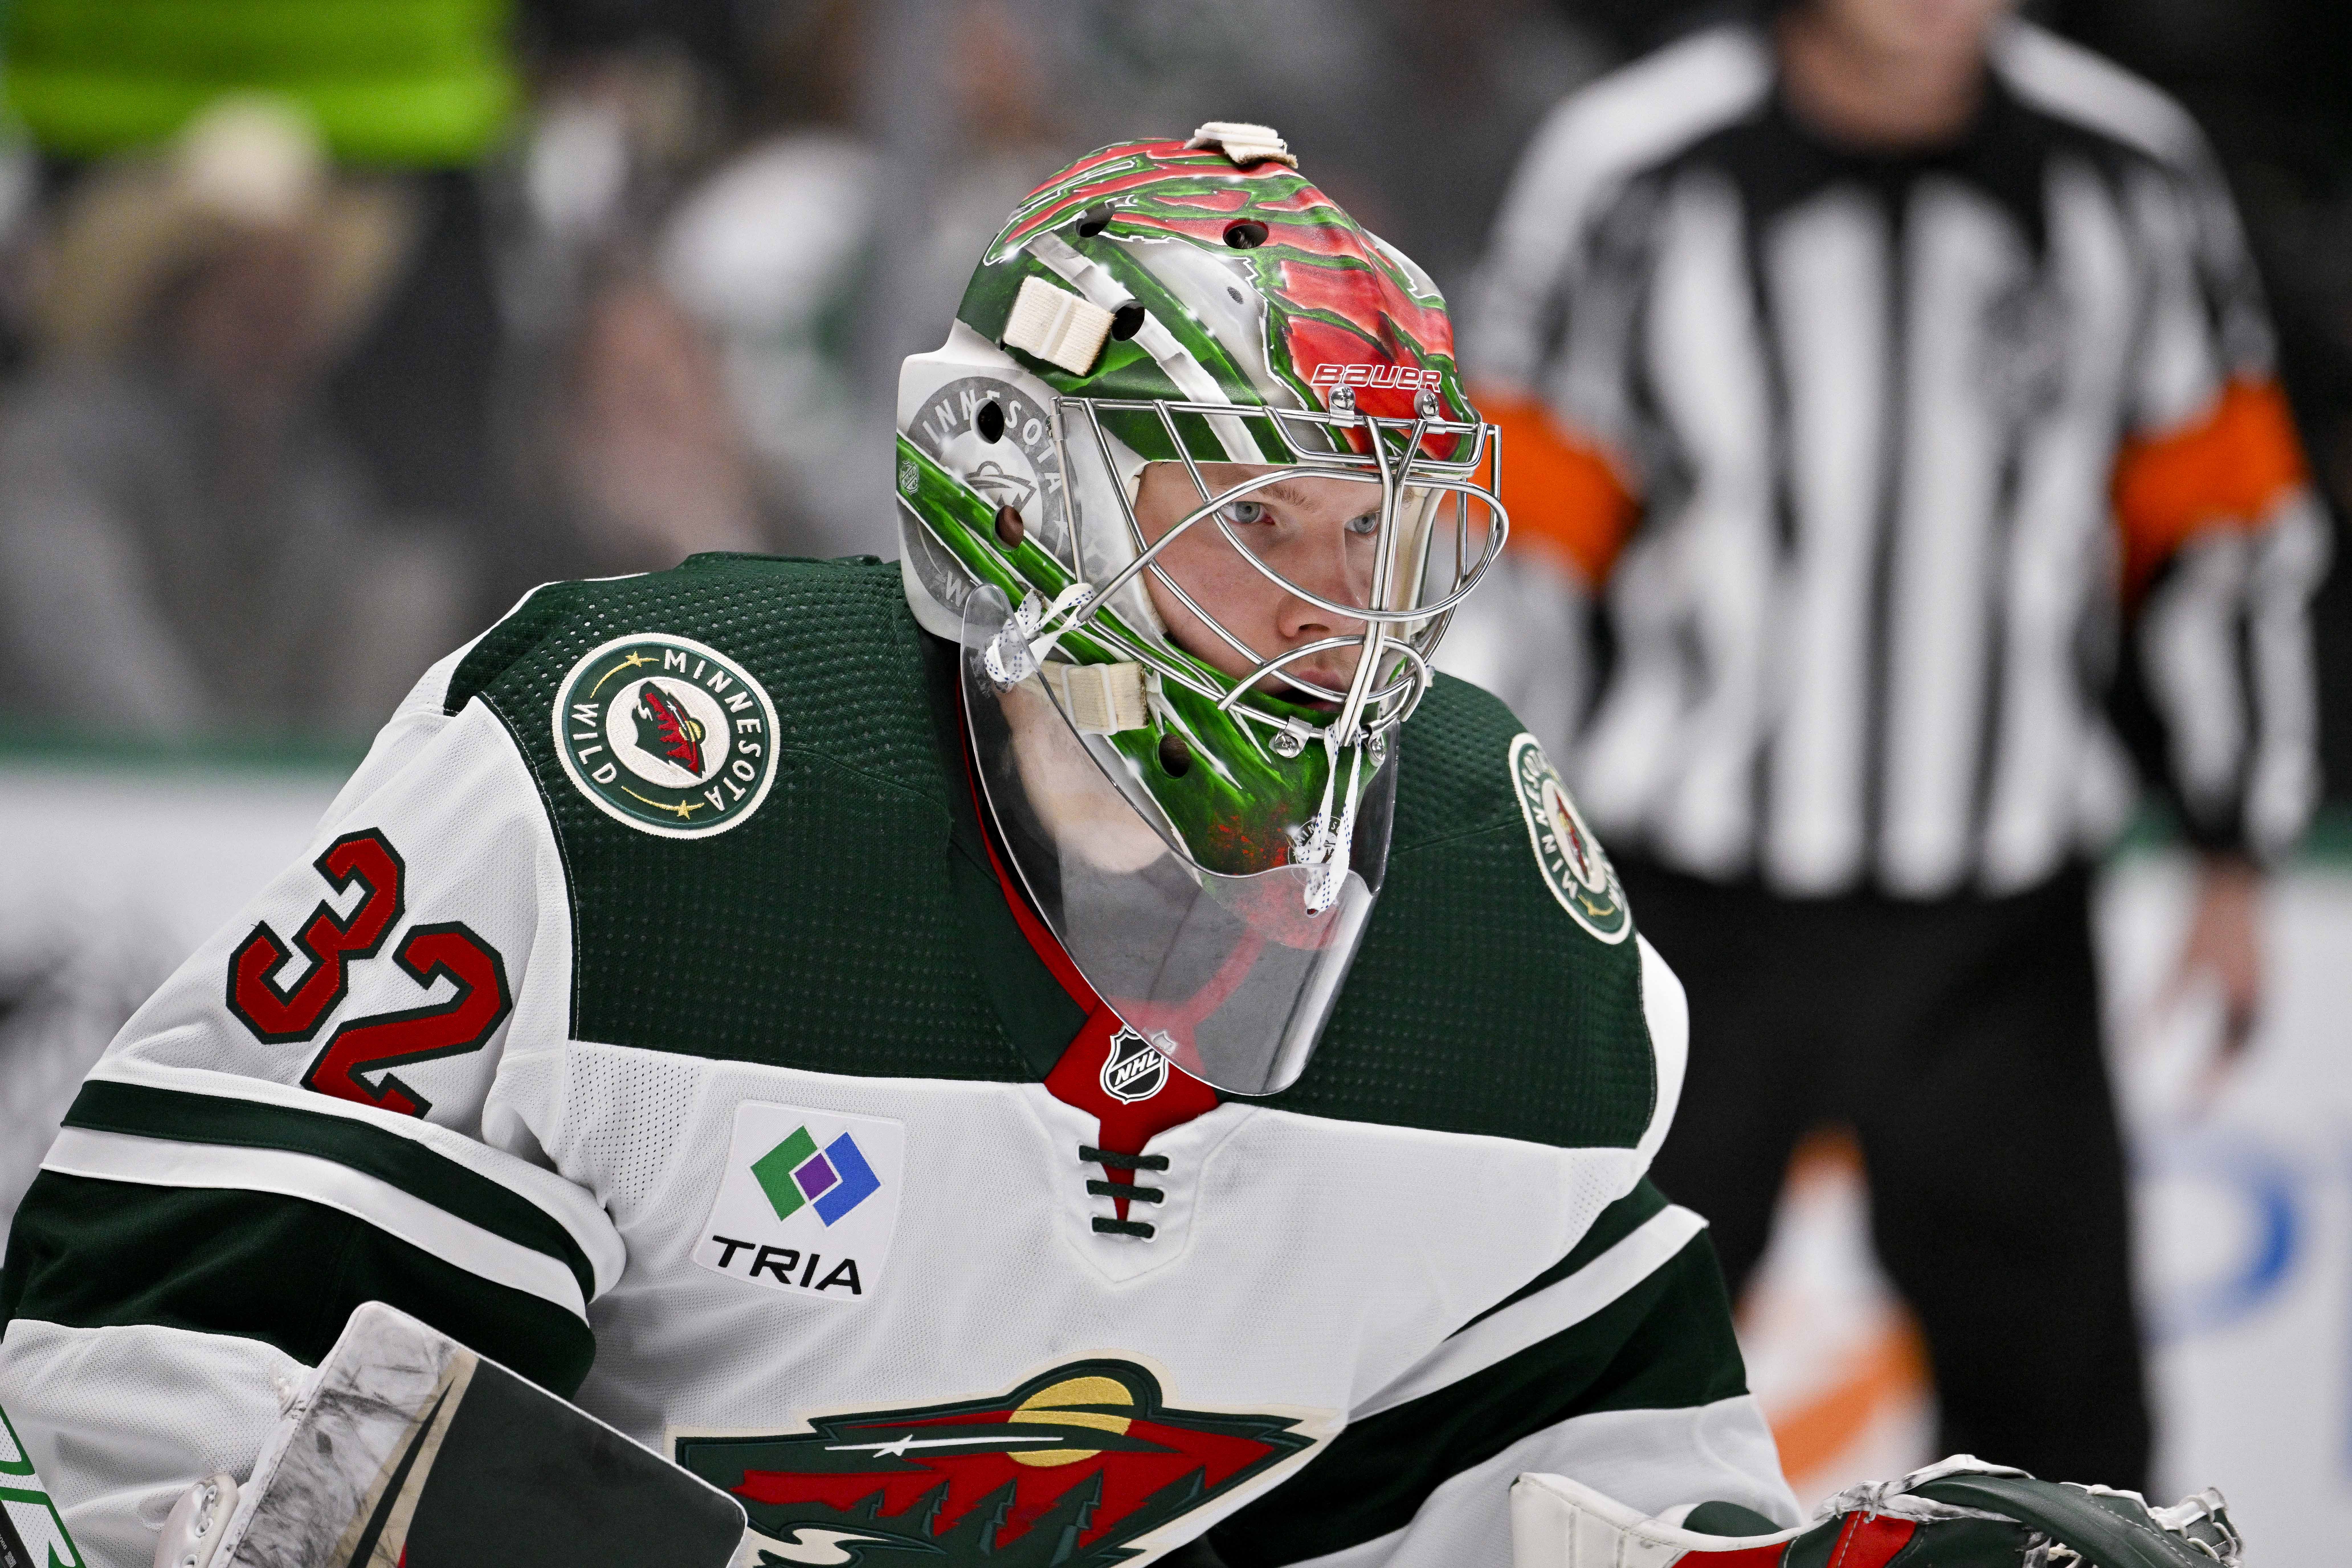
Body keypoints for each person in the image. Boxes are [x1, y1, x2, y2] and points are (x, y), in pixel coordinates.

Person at [0, 127, 2242, 1568]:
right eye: (1262, 522)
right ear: (1019, 484)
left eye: (1384, 535)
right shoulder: (647, 788)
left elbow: (1557, 1525)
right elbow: (127, 1394)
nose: (1343, 614)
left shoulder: (1494, 902)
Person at [1458, 0, 2328, 1489]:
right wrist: (1478, 855)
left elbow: (2220, 521)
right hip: (1678, 916)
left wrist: (2236, 844)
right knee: (1567, 1415)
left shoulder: (2127, 170)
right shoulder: (1635, 169)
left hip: (2000, 925)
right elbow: (1513, 546)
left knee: (2064, 1451)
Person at [0, 97, 470, 738]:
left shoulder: (318, 486)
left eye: (295, 304)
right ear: (170, 305)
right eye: (250, 304)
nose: (279, 336)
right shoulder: (47, 450)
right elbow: (93, 667)